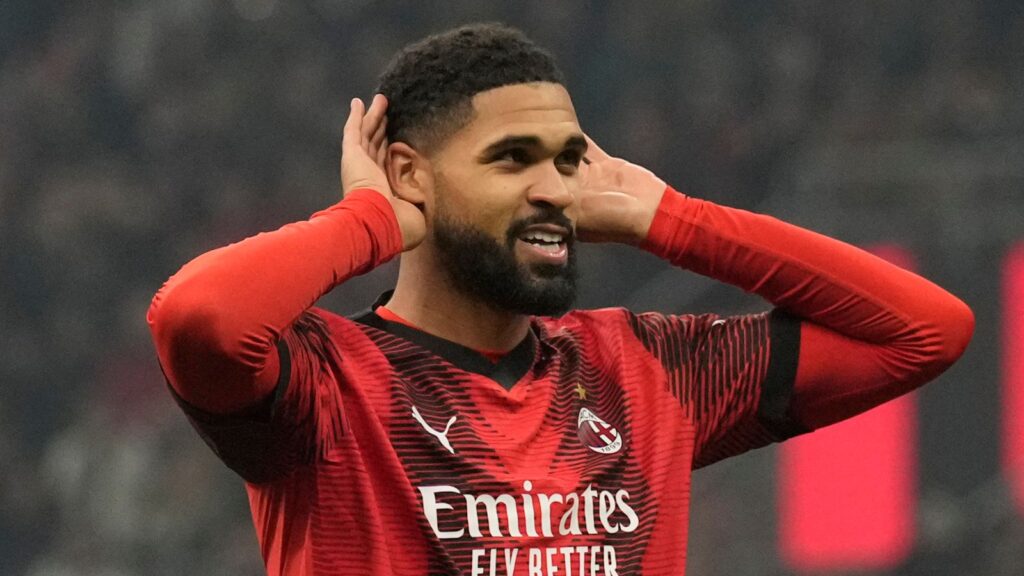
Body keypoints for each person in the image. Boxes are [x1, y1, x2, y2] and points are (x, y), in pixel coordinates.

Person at [147, 23, 974, 576]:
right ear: (409, 174)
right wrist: (370, 221)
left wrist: (672, 220)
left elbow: (925, 331)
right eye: (513, 160)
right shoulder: (326, 391)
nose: (555, 189)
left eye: (569, 159)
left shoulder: (650, 370)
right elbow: (199, 317)